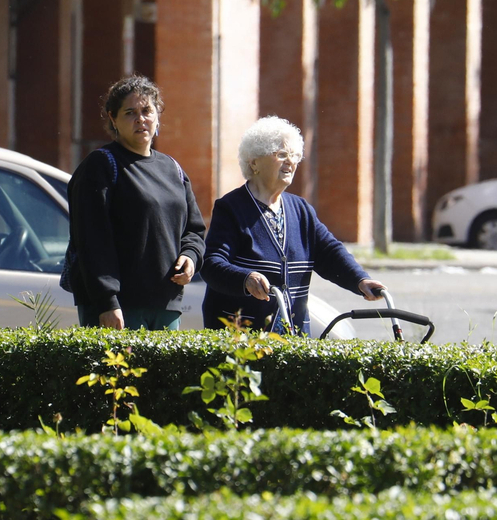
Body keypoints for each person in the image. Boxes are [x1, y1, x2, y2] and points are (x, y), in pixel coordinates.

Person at [201, 116, 387, 333]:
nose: (290, 161)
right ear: (254, 162)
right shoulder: (231, 208)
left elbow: (329, 252)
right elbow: (212, 264)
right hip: (242, 334)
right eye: (281, 155)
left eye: (295, 155)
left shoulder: (301, 209)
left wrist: (360, 280)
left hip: (293, 331)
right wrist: (246, 279)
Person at [65, 76, 206, 330]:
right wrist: (107, 302)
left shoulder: (172, 168)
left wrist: (191, 256)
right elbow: (91, 239)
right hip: (117, 309)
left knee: (162, 372)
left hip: (166, 304)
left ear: (157, 116)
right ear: (113, 119)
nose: (141, 119)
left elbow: (194, 229)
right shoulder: (100, 166)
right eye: (130, 113)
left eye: (147, 111)